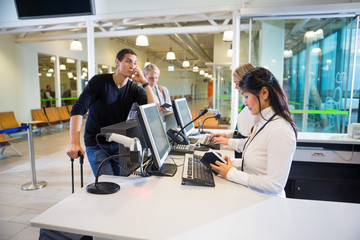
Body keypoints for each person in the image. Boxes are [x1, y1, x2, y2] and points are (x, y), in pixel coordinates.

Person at [66, 48, 159, 176]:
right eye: (128, 61)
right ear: (117, 62)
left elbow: (153, 110)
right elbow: (78, 108)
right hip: (96, 143)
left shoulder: (134, 89)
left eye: (135, 63)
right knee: (108, 184)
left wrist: (144, 82)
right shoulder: (99, 82)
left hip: (117, 142)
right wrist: (74, 143)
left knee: (119, 183)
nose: (132, 66)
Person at [210, 67, 297, 197]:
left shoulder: (280, 130)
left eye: (246, 96)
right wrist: (231, 164)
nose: (245, 103)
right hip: (252, 197)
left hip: (267, 205)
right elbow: (257, 164)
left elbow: (274, 185)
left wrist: (232, 173)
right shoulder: (262, 121)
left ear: (264, 93)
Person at [210, 63, 256, 153]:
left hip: (245, 153)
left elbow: (253, 142)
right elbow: (240, 133)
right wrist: (226, 135)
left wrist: (228, 141)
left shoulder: (255, 107)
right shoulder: (246, 104)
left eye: (237, 84)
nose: (235, 87)